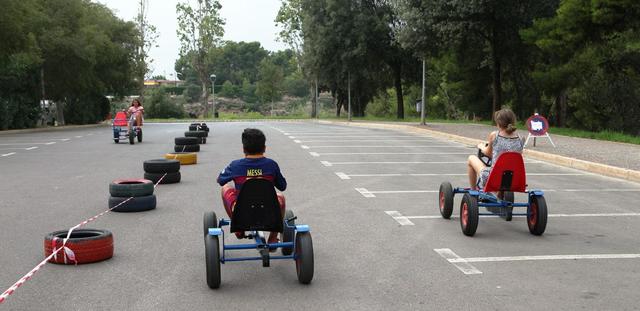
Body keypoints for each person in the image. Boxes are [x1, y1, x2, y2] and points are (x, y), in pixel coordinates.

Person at [217, 128, 287, 246]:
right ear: (264, 148)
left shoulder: (235, 165)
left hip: (242, 211)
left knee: (225, 188)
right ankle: (273, 237)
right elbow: (282, 186)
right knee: (281, 197)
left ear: (244, 149)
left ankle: (239, 229)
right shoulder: (271, 165)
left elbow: (220, 180)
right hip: (268, 210)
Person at [467, 108, 524, 191]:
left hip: (493, 179)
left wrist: (481, 146)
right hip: (514, 180)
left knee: (471, 158)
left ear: (498, 123)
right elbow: (516, 156)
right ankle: (499, 194)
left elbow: (488, 153)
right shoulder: (520, 138)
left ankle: (473, 191)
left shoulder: (495, 135)